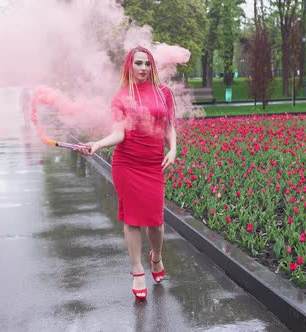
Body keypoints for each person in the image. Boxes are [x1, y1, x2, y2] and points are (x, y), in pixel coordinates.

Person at [81, 46, 177, 301]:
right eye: (138, 63)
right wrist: (97, 144)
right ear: (129, 66)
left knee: (156, 220)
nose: (143, 68)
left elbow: (168, 127)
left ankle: (156, 256)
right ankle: (137, 269)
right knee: (132, 219)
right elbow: (118, 134)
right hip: (127, 164)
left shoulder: (163, 93)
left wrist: (174, 150)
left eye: (147, 63)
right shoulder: (121, 97)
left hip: (153, 164)